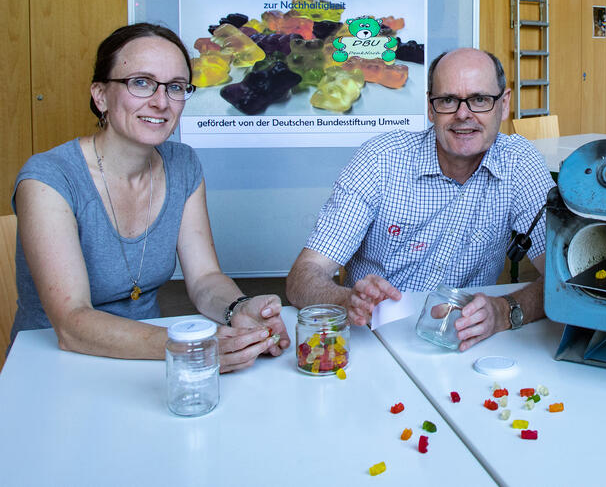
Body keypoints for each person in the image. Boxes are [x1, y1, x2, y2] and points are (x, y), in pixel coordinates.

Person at [11, 23, 290, 371]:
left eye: (175, 87)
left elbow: (205, 280)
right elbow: (71, 324)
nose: (160, 102)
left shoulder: (183, 163)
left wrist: (239, 309)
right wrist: (189, 346)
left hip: (146, 360)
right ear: (100, 95)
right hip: (52, 365)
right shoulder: (48, 178)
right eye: (140, 82)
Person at [286, 48, 553, 351]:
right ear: (430, 107)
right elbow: (302, 277)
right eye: (448, 100)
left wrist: (504, 311)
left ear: (503, 105)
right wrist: (345, 300)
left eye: (480, 100)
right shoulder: (380, 161)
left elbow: (562, 279)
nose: (463, 114)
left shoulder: (520, 164)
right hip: (372, 340)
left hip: (463, 343)